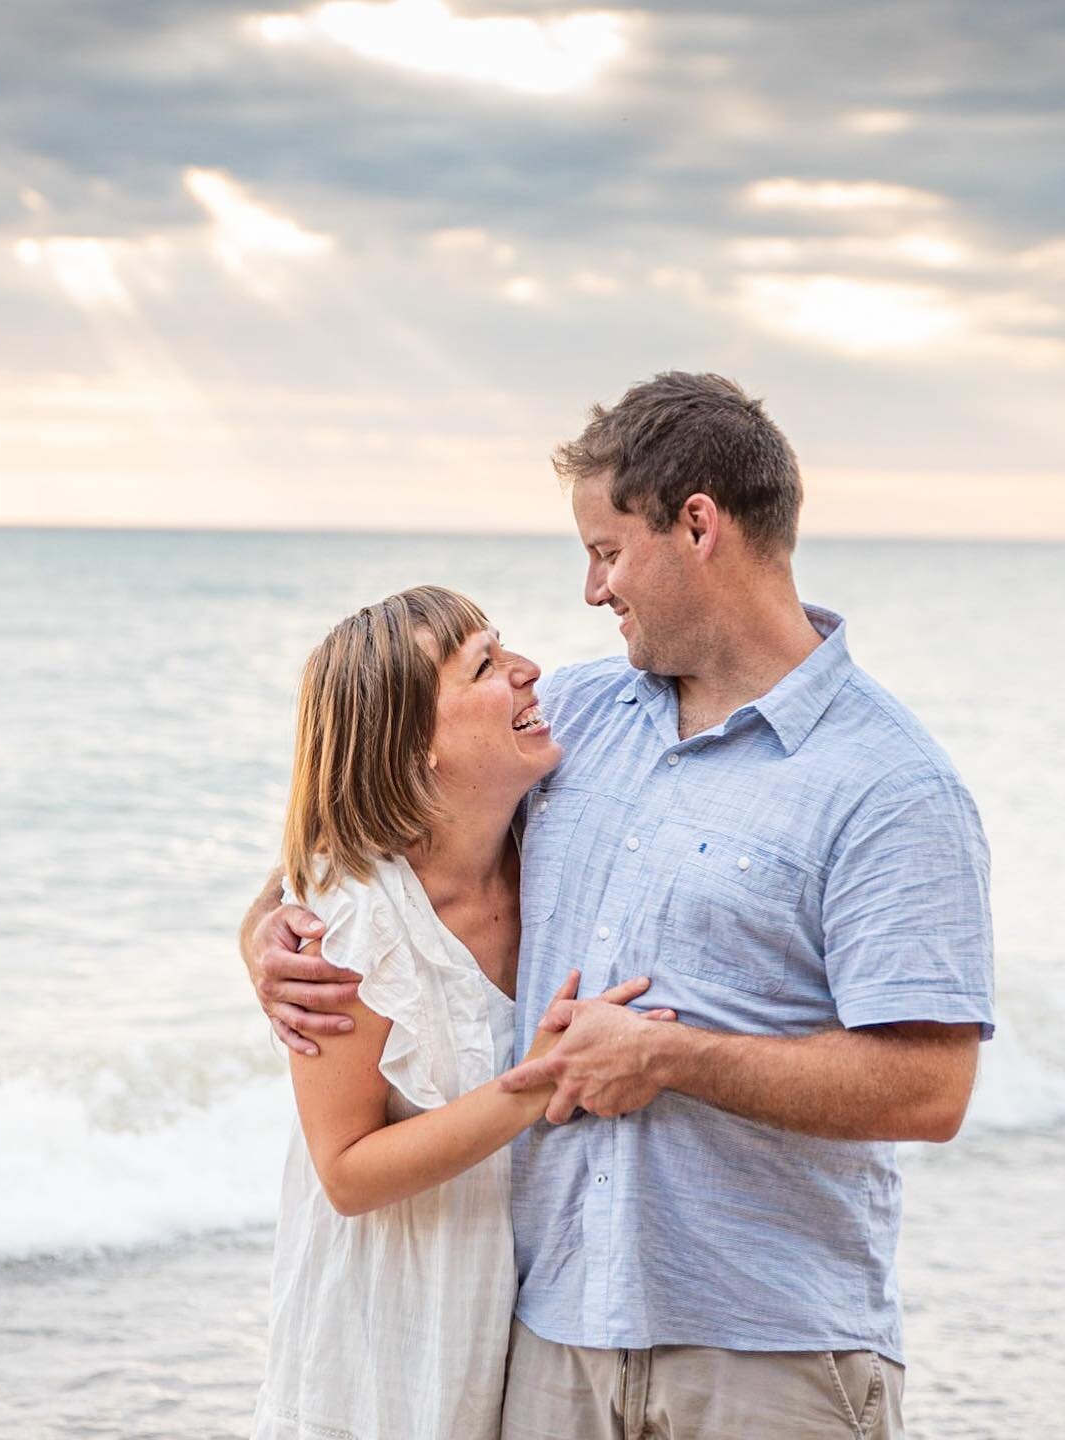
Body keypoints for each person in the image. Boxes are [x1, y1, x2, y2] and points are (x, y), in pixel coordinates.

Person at [243, 372, 995, 1439]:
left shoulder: (890, 785)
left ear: (697, 526)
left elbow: (931, 1088)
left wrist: (673, 1059)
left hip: (769, 1353)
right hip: (548, 1342)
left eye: (605, 550)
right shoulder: (578, 718)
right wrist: (264, 933)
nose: (592, 591)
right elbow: (374, 831)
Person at [246, 584, 673, 1440]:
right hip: (381, 1344)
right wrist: (542, 1079)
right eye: (484, 666)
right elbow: (349, 1172)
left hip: (520, 1327)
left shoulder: (547, 847)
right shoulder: (352, 921)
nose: (528, 671)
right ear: (415, 749)